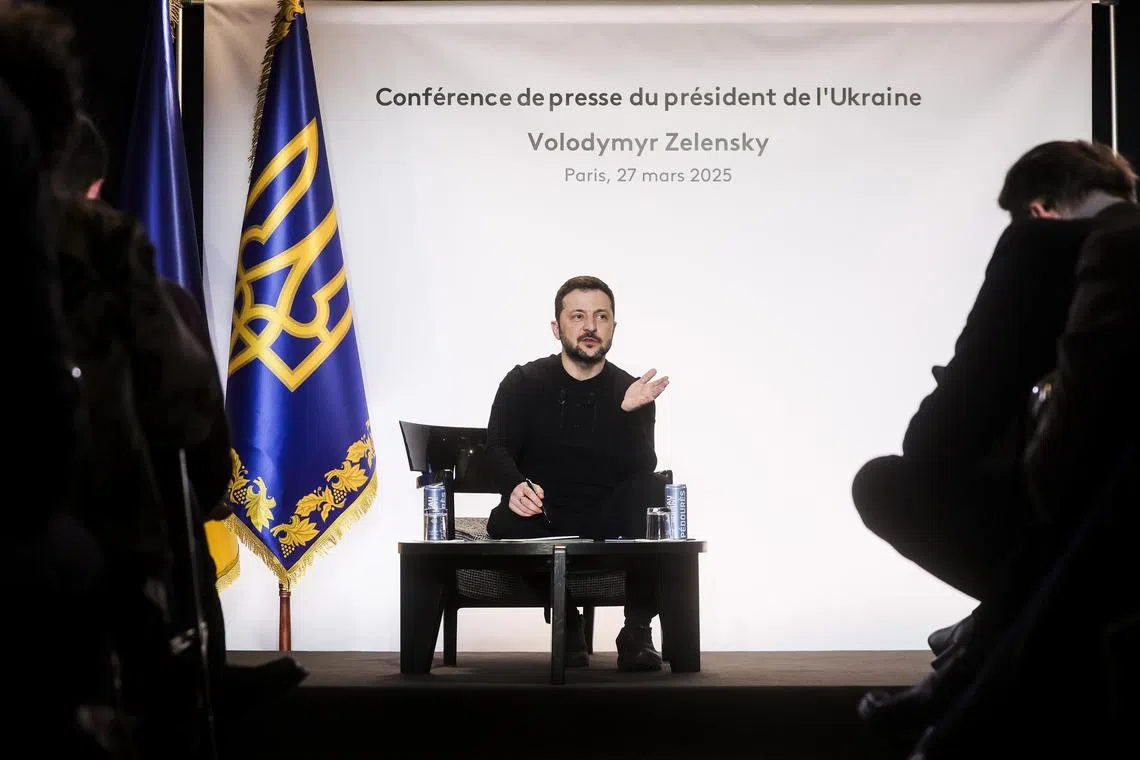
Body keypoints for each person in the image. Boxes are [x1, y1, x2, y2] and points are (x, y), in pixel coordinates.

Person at [854, 140, 1138, 734]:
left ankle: (975, 657)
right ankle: (979, 643)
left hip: (1102, 538)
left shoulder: (1044, 245)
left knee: (885, 485)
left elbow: (936, 446)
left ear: (1036, 209)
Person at [483, 275, 670, 671]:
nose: (590, 327)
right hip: (542, 512)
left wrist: (627, 415)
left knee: (655, 492)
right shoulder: (523, 382)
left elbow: (639, 468)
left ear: (613, 327)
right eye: (578, 316)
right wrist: (514, 485)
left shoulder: (631, 390)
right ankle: (565, 615)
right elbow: (496, 449)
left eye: (601, 316)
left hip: (605, 515)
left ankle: (636, 632)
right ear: (557, 327)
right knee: (505, 521)